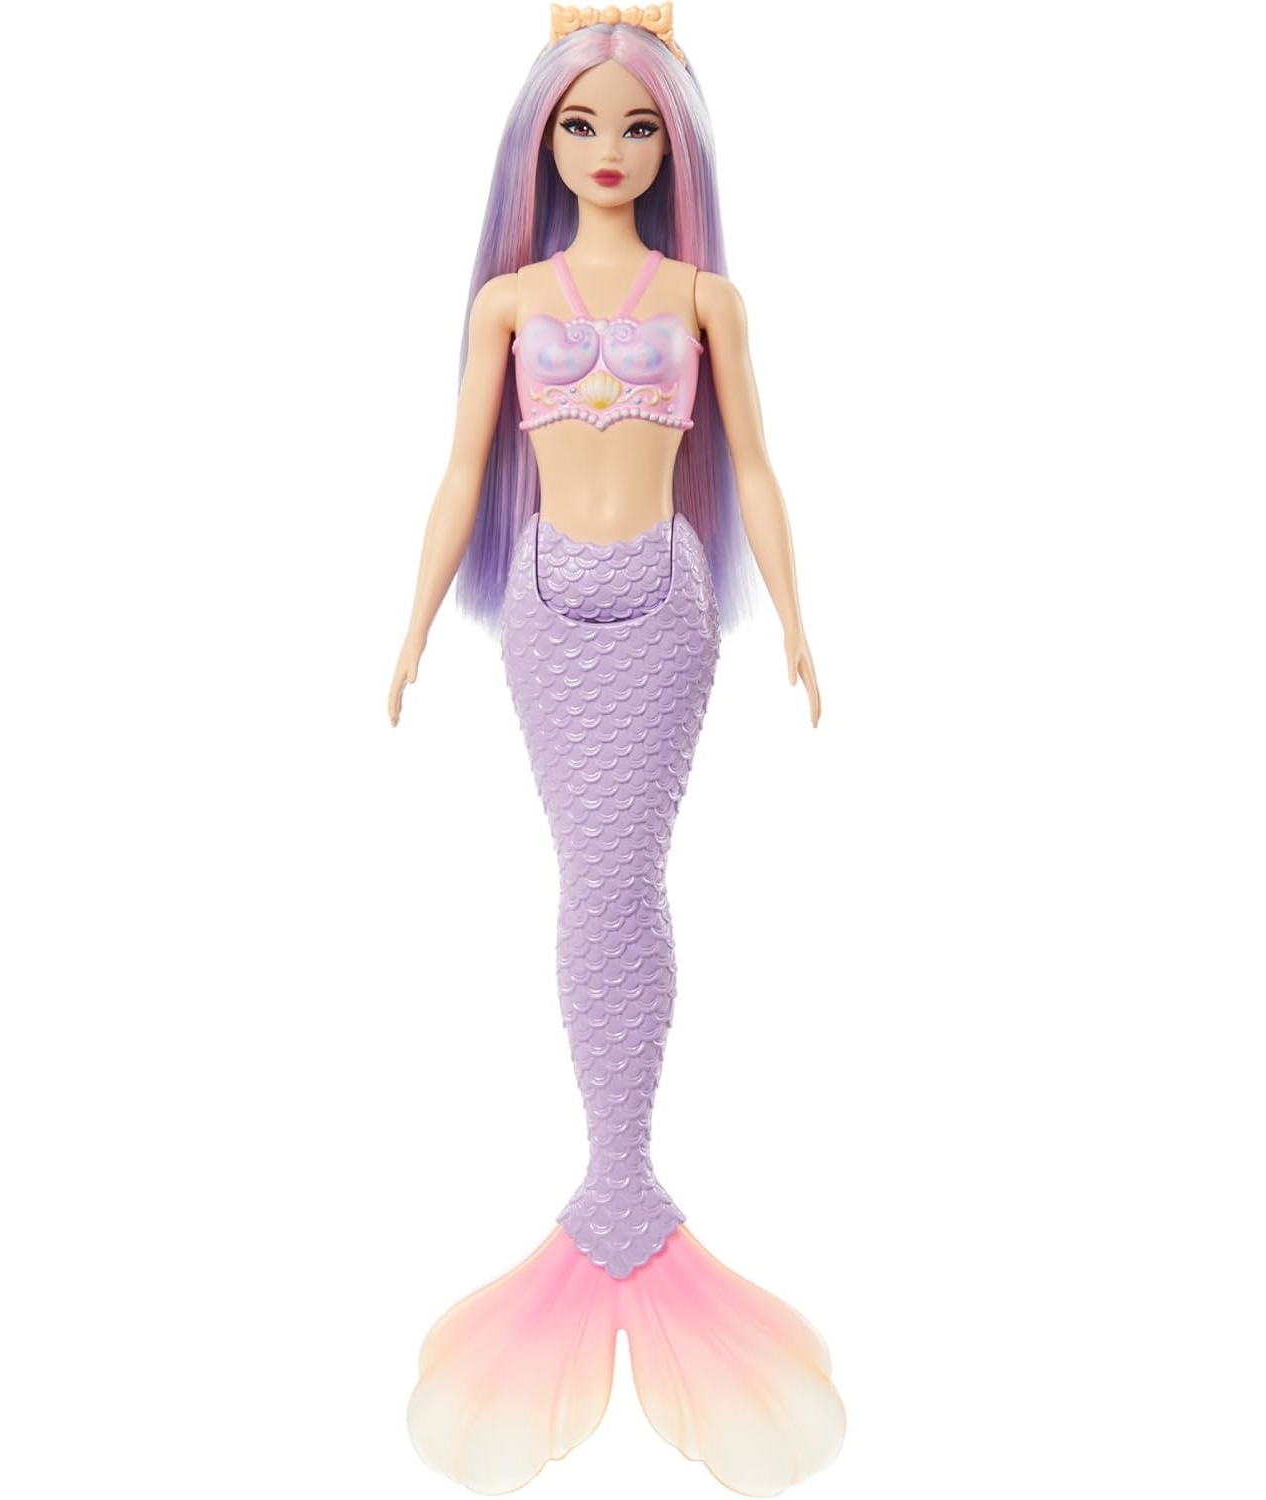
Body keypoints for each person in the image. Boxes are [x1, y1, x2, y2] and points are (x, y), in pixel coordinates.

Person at [388, 8, 843, 1493]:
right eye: (580, 126)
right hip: (545, 607)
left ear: (674, 144)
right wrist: (411, 626)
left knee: (621, 878)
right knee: (590, 876)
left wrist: (793, 616)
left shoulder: (707, 300)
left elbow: (754, 467)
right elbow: (463, 467)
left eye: (638, 127)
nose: (607, 151)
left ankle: (622, 1181)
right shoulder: (508, 302)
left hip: (660, 601)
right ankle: (618, 1182)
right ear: (540, 140)